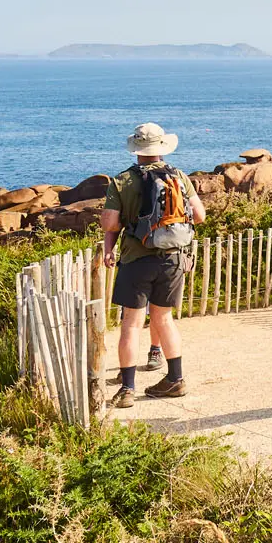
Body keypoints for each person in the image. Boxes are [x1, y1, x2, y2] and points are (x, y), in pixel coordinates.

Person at [98, 122, 206, 408]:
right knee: (164, 319)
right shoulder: (179, 176)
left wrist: (111, 245)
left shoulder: (122, 181)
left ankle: (127, 389)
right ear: (161, 147)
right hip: (172, 258)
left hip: (136, 258)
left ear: (136, 149)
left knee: (131, 324)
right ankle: (175, 379)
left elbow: (110, 223)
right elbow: (200, 215)